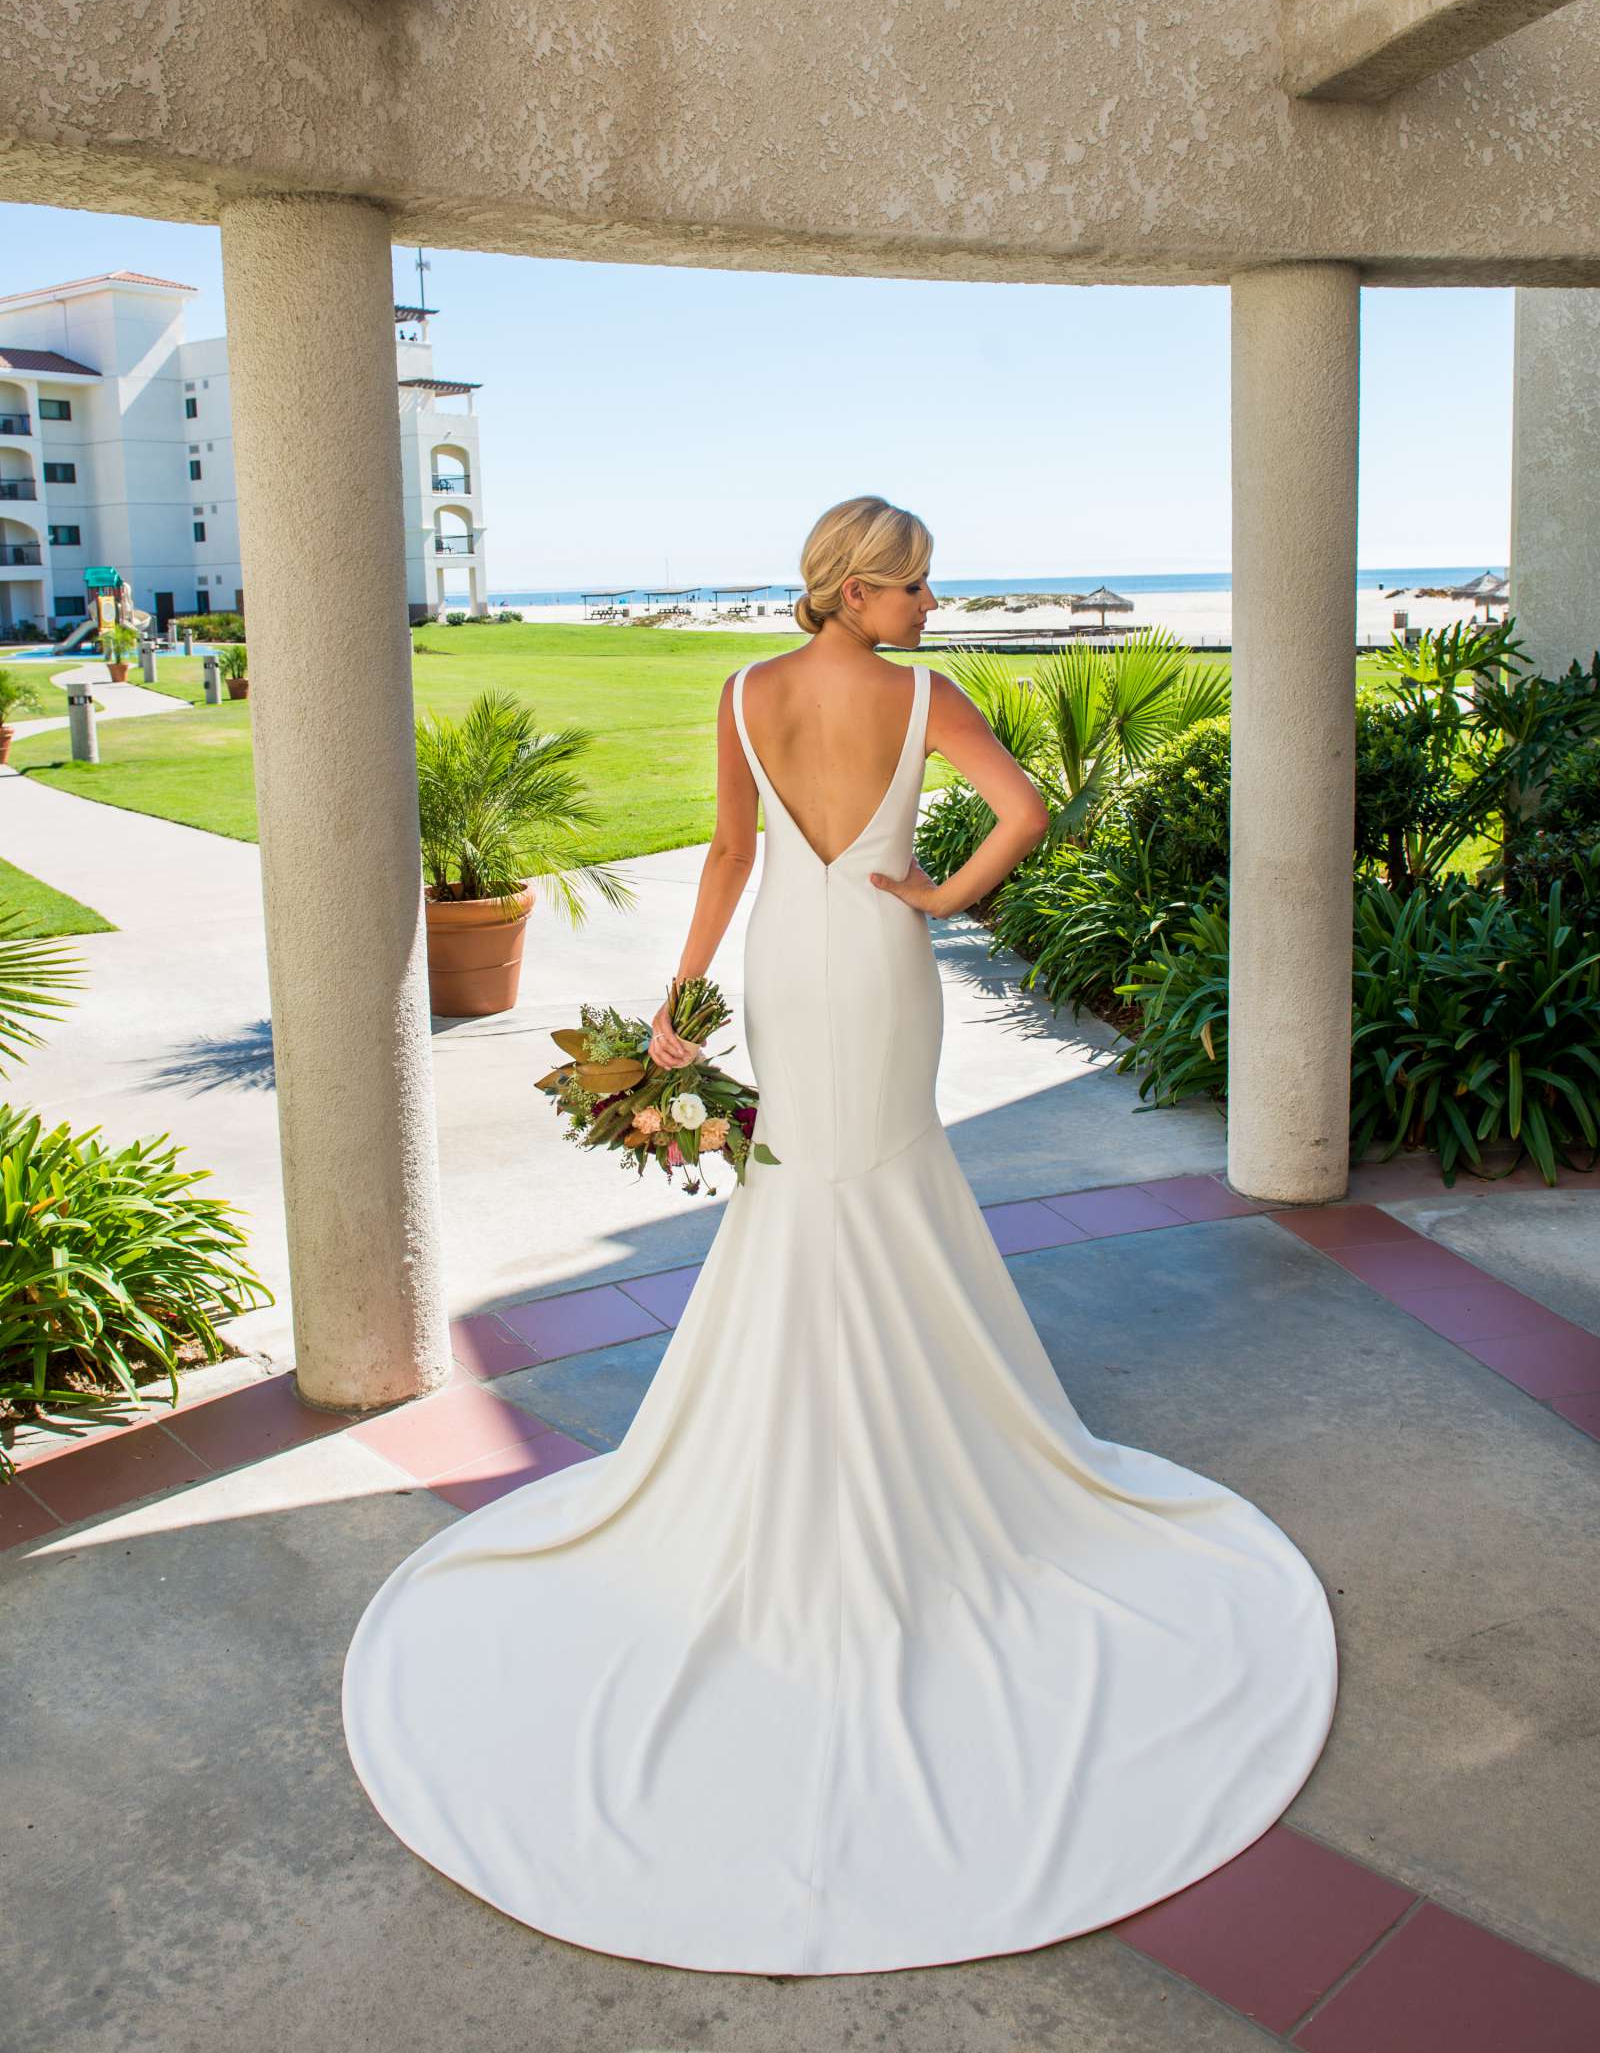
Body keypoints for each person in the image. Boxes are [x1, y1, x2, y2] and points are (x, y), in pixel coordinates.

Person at [343, 494, 1338, 1978]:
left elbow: (730, 861)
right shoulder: (923, 697)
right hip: (877, 955)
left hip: (782, 972)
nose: (935, 603)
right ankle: (916, 1429)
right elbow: (1026, 815)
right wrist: (935, 894)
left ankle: (797, 1430)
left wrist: (683, 1000)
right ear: (860, 590)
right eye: (920, 583)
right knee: (880, 1165)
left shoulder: (743, 691)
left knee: (802, 1177)